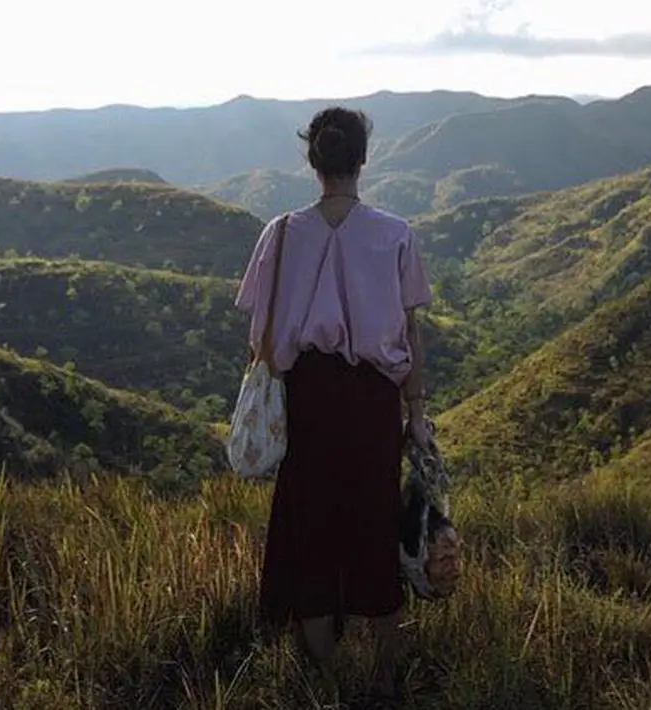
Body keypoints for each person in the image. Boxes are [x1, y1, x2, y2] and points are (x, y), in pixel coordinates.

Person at [233, 106, 434, 700]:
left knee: (312, 527)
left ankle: (323, 684)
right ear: (362, 159)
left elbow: (260, 338)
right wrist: (416, 411)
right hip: (374, 403)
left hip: (308, 402)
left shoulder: (281, 232)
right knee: (375, 522)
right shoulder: (396, 233)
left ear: (313, 160)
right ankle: (384, 676)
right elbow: (411, 333)